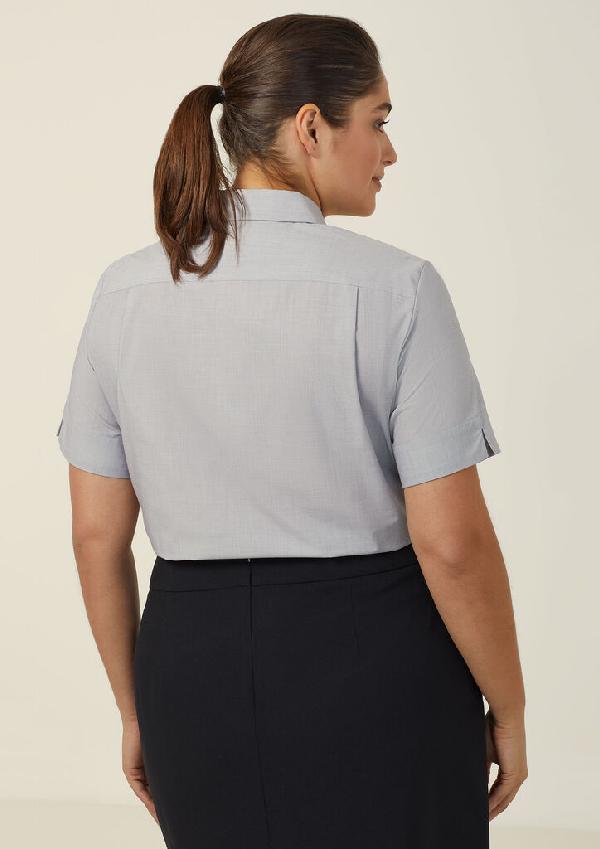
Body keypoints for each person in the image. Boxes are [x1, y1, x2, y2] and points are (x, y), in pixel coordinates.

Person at [56, 12, 527, 849]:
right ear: (311, 126)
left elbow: (96, 534)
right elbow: (452, 542)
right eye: (378, 120)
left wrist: (136, 708)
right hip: (376, 660)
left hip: (188, 668)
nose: (389, 151)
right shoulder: (398, 290)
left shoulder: (124, 293)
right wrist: (511, 708)